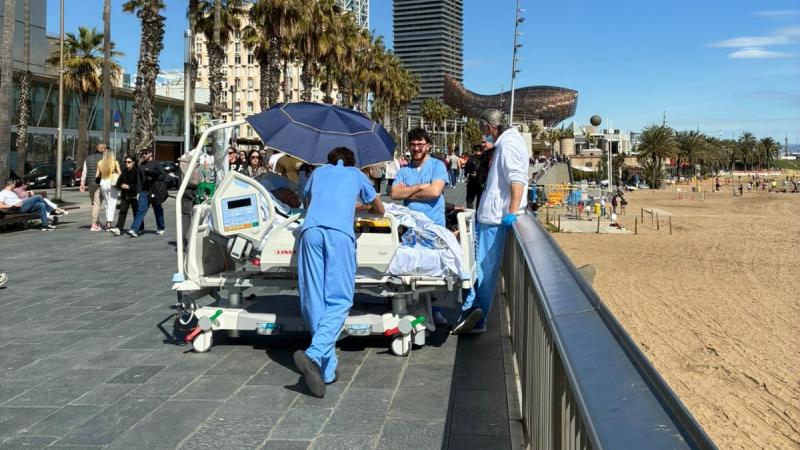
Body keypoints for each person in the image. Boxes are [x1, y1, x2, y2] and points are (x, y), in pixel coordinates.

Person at [293, 147, 384, 398]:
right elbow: (380, 209)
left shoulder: (318, 173)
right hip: (339, 235)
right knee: (340, 299)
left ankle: (326, 369)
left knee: (313, 297)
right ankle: (314, 353)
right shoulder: (357, 175)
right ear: (352, 161)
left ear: (329, 160)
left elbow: (307, 203)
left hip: (310, 231)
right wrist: (357, 208)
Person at [453, 109, 528, 335]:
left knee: (485, 269)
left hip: (496, 219)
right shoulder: (505, 143)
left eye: (482, 129)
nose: (482, 134)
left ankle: (478, 317)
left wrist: (512, 211)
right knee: (478, 267)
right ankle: (472, 311)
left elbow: (517, 179)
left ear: (489, 126)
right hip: (489, 216)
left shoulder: (509, 144)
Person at [391, 128, 449, 226]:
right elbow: (394, 194)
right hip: (410, 226)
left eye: (420, 145)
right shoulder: (404, 170)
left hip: (434, 226)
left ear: (428, 146)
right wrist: (420, 187)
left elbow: (434, 192)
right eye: (413, 145)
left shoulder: (437, 165)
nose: (416, 149)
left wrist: (406, 193)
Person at [128, 149, 168, 237]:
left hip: (155, 191)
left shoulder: (156, 163)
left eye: (145, 153)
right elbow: (138, 180)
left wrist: (154, 174)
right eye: (142, 154)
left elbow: (164, 176)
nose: (143, 155)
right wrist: (138, 192)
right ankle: (134, 229)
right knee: (141, 209)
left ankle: (161, 227)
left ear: (150, 153)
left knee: (157, 209)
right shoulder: (141, 165)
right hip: (144, 191)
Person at [80, 143, 108, 231]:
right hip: (99, 184)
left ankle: (97, 221)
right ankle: (94, 224)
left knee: (94, 203)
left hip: (90, 184)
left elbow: (84, 172)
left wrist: (82, 183)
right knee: (97, 203)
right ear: (103, 149)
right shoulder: (104, 158)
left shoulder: (88, 158)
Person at [110, 155, 140, 236]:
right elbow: (118, 182)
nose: (127, 164)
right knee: (122, 211)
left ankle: (139, 228)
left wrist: (129, 186)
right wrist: (121, 185)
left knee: (136, 212)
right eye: (126, 162)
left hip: (134, 194)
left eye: (129, 162)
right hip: (125, 194)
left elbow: (138, 184)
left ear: (133, 162)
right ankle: (119, 228)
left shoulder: (137, 171)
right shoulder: (124, 171)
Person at [96, 149, 121, 231]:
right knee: (112, 203)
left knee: (107, 203)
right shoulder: (115, 162)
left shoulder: (100, 162)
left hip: (103, 183)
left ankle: (108, 223)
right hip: (112, 183)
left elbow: (97, 175)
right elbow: (120, 174)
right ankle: (109, 223)